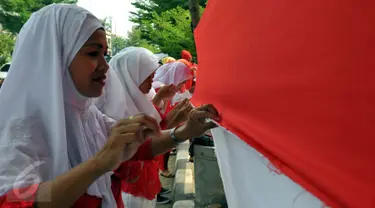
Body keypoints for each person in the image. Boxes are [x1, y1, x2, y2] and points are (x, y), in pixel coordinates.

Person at [0, 4, 219, 208]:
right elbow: (12, 199)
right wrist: (98, 164)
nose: (106, 66)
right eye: (93, 53)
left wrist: (184, 131)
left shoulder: (86, 113)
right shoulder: (20, 128)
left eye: (104, 55)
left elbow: (136, 145)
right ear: (56, 56)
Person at [95, 47, 191, 206]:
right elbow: (138, 142)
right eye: (147, 78)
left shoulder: (146, 94)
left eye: (152, 77)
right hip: (125, 185)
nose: (152, 82)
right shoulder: (111, 108)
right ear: (131, 77)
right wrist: (180, 129)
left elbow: (152, 133)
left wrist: (176, 120)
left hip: (143, 172)